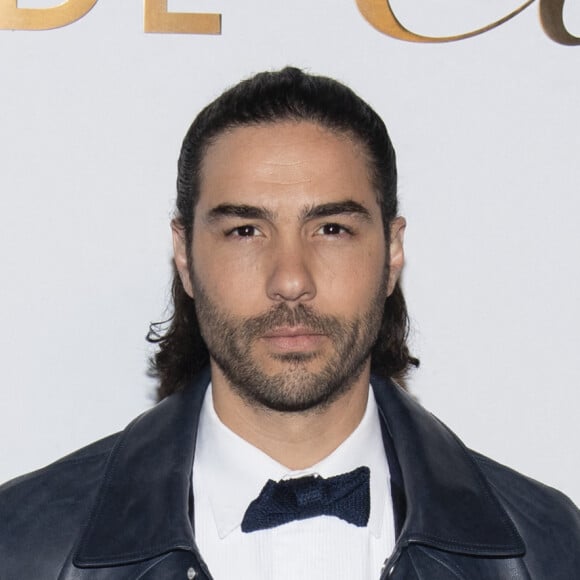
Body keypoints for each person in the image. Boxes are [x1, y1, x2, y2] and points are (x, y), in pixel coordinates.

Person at [0, 67, 578, 580]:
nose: (291, 278)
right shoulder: (23, 548)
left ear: (392, 252)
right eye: (245, 231)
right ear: (185, 256)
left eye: (332, 229)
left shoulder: (547, 552)